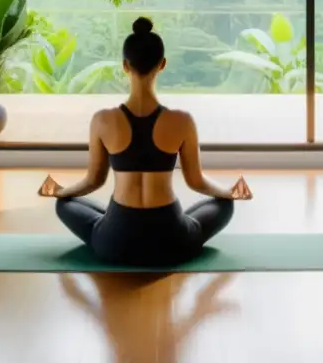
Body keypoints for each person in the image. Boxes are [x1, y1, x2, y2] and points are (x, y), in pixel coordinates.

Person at [38, 17, 252, 267]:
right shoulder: (182, 121)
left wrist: (60, 192)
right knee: (224, 206)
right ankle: (195, 216)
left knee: (65, 205)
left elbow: (93, 181)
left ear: (125, 66)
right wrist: (229, 193)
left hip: (116, 242)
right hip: (172, 240)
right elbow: (197, 182)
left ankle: (98, 216)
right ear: (162, 65)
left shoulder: (103, 121)